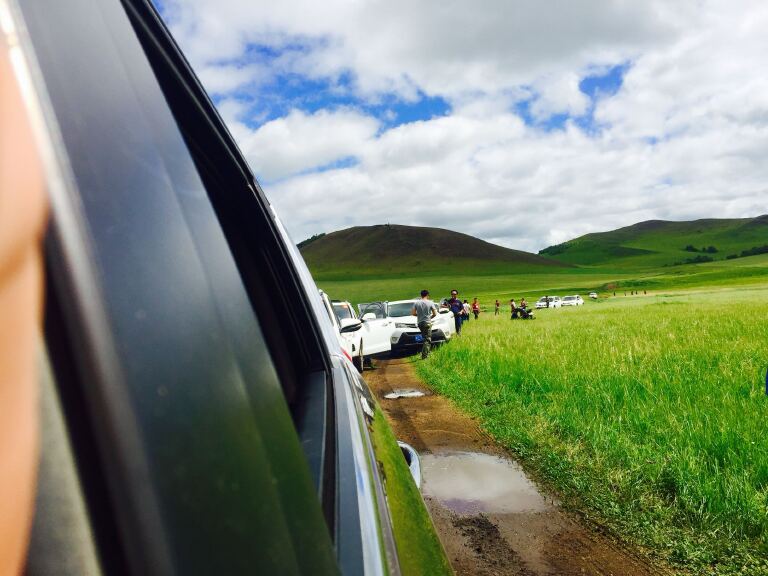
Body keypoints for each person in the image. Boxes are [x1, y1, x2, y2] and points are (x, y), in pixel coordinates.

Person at [412, 290, 438, 359]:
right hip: (427, 322)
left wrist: (420, 315)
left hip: (420, 323)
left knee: (425, 338)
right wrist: (429, 317)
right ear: (427, 295)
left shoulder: (416, 303)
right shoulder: (430, 302)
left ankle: (426, 352)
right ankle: (425, 355)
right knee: (427, 339)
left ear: (421, 295)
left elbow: (413, 313)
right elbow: (435, 314)